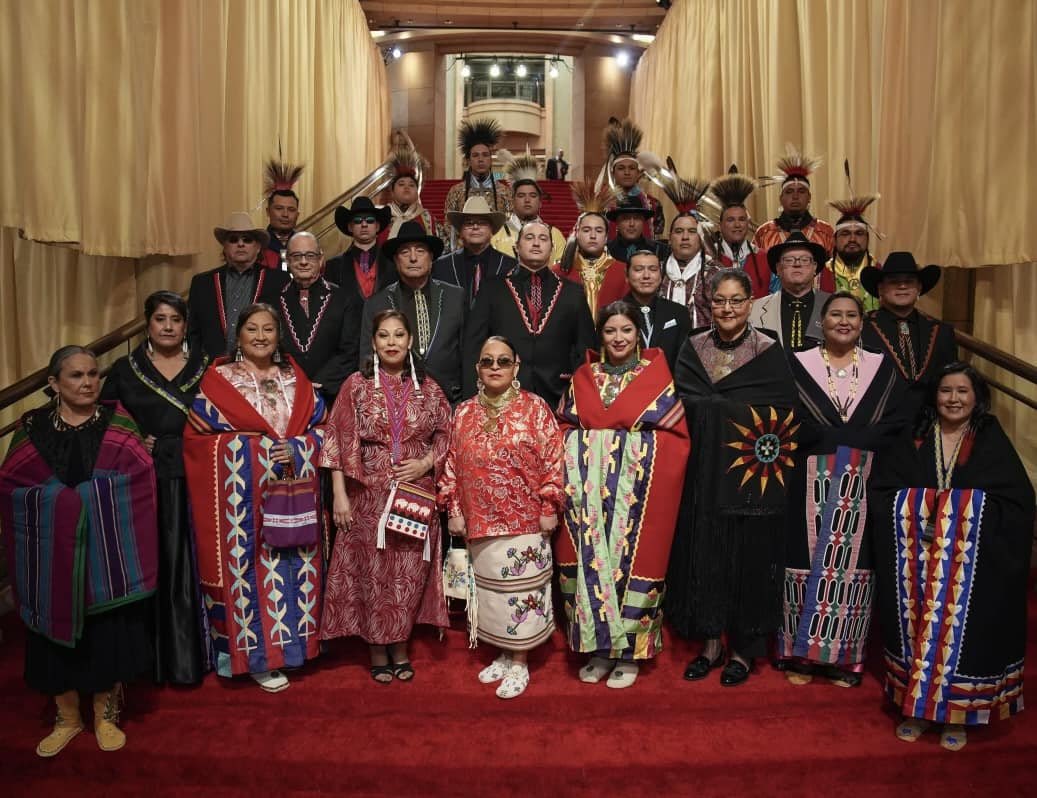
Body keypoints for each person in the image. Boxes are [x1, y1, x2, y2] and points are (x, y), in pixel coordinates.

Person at [0, 346, 158, 756]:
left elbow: (139, 478)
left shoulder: (118, 423)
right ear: (53, 384)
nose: (88, 382)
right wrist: (63, 505)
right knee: (53, 632)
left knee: (105, 633)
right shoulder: (32, 426)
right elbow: (13, 483)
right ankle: (67, 717)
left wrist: (87, 500)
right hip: (50, 552)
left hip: (106, 552)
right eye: (75, 376)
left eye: (93, 374)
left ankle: (105, 714)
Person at [870, 363, 1035, 751]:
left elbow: (1017, 502)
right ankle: (916, 710)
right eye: (946, 391)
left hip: (972, 566)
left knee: (963, 641)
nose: (954, 399)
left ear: (976, 397)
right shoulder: (915, 436)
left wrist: (956, 510)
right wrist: (926, 506)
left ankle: (957, 715)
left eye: (963, 391)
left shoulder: (989, 437)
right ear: (934, 396)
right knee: (915, 636)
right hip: (917, 560)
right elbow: (882, 490)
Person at [183, 303, 327, 693]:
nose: (261, 336)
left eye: (268, 329)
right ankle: (258, 659)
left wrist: (299, 447)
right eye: (252, 329)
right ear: (239, 336)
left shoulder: (295, 378)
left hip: (292, 489)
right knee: (251, 570)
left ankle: (294, 651)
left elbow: (322, 429)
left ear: (279, 336)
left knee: (296, 560)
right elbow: (198, 441)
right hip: (241, 503)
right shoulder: (220, 381)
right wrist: (257, 452)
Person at [667, 268, 801, 687]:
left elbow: (784, 409)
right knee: (706, 552)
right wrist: (713, 408)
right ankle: (710, 643)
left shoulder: (768, 350)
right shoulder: (693, 347)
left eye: (736, 301)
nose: (727, 308)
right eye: (720, 301)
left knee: (748, 557)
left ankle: (744, 648)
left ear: (750, 304)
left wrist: (719, 408)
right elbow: (680, 401)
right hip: (702, 473)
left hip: (749, 476)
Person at [556, 302, 690, 688]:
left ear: (638, 335)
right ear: (601, 335)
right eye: (611, 331)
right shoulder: (585, 376)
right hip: (588, 497)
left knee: (633, 565)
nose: (618, 338)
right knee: (589, 565)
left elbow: (675, 440)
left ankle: (629, 652)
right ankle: (598, 650)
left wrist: (610, 445)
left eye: (626, 330)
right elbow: (563, 430)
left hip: (639, 498)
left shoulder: (655, 378)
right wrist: (596, 445)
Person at [778, 292, 906, 688]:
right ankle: (800, 655)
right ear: (822, 320)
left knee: (854, 566)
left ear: (862, 323)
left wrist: (850, 438)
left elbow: (897, 421)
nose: (844, 321)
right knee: (804, 557)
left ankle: (843, 658)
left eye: (852, 315)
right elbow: (785, 414)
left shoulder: (882, 369)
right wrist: (833, 437)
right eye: (836, 314)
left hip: (863, 479)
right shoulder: (797, 364)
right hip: (807, 475)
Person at [321, 310, 451, 683]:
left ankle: (401, 646)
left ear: (410, 341)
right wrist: (339, 495)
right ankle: (378, 649)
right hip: (366, 495)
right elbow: (336, 438)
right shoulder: (355, 385)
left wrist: (426, 462)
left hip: (415, 492)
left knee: (406, 573)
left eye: (398, 335)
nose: (391, 342)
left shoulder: (429, 387)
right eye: (383, 335)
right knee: (373, 572)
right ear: (374, 342)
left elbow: (446, 433)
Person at [439, 336, 564, 699]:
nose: (495, 367)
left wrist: (549, 507)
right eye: (487, 361)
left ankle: (521, 661)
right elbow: (451, 465)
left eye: (503, 361)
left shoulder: (536, 409)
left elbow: (554, 461)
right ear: (477, 367)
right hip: (479, 523)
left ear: (517, 367)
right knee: (492, 595)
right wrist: (455, 510)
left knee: (521, 594)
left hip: (526, 521)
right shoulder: (463, 412)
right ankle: (504, 654)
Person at [100, 292, 209, 686]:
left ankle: (189, 660)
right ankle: (147, 663)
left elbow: (223, 420)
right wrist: (133, 440)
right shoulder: (124, 370)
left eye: (175, 320)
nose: (167, 326)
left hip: (195, 477)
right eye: (160, 319)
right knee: (152, 564)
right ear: (148, 323)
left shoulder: (206, 366)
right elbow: (107, 423)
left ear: (185, 325)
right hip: (142, 482)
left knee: (189, 566)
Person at [464, 221, 596, 409]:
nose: (536, 243)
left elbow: (586, 350)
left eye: (543, 239)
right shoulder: (492, 288)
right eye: (529, 237)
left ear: (552, 248)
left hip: (559, 397)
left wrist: (576, 396)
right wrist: (474, 399)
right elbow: (473, 345)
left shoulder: (573, 292)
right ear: (517, 247)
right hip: (501, 397)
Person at [361, 220, 466, 403]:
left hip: (451, 401)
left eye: (420, 250)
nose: (413, 258)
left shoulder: (455, 296)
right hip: (395, 405)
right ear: (395, 260)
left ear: (431, 257)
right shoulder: (376, 303)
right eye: (404, 251)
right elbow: (366, 361)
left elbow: (468, 353)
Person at [860, 252, 958, 415]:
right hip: (878, 423)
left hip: (930, 424)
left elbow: (951, 380)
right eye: (894, 282)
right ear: (881, 289)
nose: (902, 286)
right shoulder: (862, 328)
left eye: (909, 281)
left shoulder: (941, 331)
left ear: (919, 288)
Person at [187, 212, 289, 359]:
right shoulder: (202, 283)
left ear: (258, 247)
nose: (240, 244)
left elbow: (284, 328)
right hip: (214, 368)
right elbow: (193, 331)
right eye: (233, 240)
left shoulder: (279, 280)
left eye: (247, 240)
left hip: (262, 365)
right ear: (225, 246)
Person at [277, 231, 361, 402]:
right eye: (296, 256)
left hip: (332, 394)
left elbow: (349, 351)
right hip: (285, 394)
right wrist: (293, 383)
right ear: (287, 260)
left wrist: (317, 384)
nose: (303, 262)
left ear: (321, 258)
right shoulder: (272, 301)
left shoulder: (345, 298)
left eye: (310, 255)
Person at [753, 145, 835, 292]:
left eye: (801, 191)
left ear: (809, 197)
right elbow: (757, 272)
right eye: (789, 192)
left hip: (817, 305)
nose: (795, 196)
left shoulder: (825, 231)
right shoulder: (764, 232)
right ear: (781, 198)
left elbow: (834, 274)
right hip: (774, 304)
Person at [650, 164, 713, 328]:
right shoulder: (656, 273)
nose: (685, 237)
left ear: (700, 238)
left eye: (692, 231)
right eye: (679, 231)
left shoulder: (717, 274)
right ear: (670, 239)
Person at [552, 181, 628, 313]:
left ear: (606, 237)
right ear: (577, 234)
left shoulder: (622, 271)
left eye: (599, 231)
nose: (593, 236)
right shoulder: (558, 272)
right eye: (586, 230)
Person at [748, 232, 831, 352]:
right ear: (778, 269)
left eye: (804, 260)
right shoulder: (754, 310)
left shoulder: (833, 306)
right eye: (789, 260)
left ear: (814, 268)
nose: (797, 264)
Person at [433, 196, 516, 309]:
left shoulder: (510, 266)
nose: (475, 227)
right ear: (460, 231)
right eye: (469, 223)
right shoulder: (442, 266)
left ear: (492, 230)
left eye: (482, 223)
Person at [444, 118, 512, 248]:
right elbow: (449, 227)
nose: (481, 159)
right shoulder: (456, 191)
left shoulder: (504, 192)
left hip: (498, 251)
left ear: (491, 160)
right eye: (475, 155)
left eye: (485, 155)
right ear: (468, 160)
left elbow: (511, 225)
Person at [703, 171, 771, 298]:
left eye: (742, 219)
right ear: (720, 225)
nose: (737, 225)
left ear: (747, 223)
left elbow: (775, 299)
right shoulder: (707, 259)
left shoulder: (765, 258)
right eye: (730, 220)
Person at [491, 150, 567, 264]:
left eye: (533, 195)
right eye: (521, 196)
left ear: (540, 202)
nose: (527, 200)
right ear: (512, 201)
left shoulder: (554, 235)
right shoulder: (497, 235)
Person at [622, 250, 692, 371]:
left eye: (653, 269)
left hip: (669, 387)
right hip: (626, 385)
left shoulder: (679, 313)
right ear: (627, 276)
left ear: (661, 275)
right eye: (638, 269)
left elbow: (686, 363)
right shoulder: (613, 314)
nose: (646, 276)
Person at [324, 197, 395, 306]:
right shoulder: (333, 266)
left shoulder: (393, 263)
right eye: (357, 221)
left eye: (370, 220)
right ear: (350, 227)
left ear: (377, 226)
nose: (364, 224)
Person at [601, 118, 664, 239]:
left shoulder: (654, 205)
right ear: (613, 172)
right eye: (621, 168)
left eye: (631, 168)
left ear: (638, 173)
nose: (627, 172)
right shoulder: (600, 204)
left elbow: (657, 240)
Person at [378, 144, 446, 245]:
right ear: (392, 191)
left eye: (411, 185)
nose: (406, 187)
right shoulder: (382, 217)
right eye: (401, 184)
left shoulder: (427, 218)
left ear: (417, 192)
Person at [826, 191, 881, 312]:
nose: (852, 239)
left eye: (859, 233)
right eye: (845, 234)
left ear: (867, 239)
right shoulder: (820, 275)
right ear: (834, 240)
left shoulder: (880, 273)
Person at [261, 158, 304, 270]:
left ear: (297, 215)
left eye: (291, 209)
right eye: (279, 208)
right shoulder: (258, 247)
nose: (285, 214)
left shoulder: (305, 246)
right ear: (268, 211)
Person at [606, 194, 668, 264]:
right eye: (626, 218)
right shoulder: (605, 251)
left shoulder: (660, 250)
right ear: (617, 222)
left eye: (637, 218)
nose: (632, 224)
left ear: (643, 221)